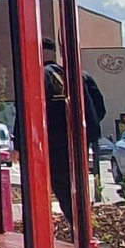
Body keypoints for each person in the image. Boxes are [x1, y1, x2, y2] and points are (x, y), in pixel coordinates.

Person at [43, 39, 107, 228]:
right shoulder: (81, 76)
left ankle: (79, 226)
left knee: (63, 186)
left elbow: (28, 109)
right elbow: (100, 109)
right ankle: (84, 228)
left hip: (55, 143)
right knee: (78, 184)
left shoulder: (42, 76)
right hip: (80, 138)